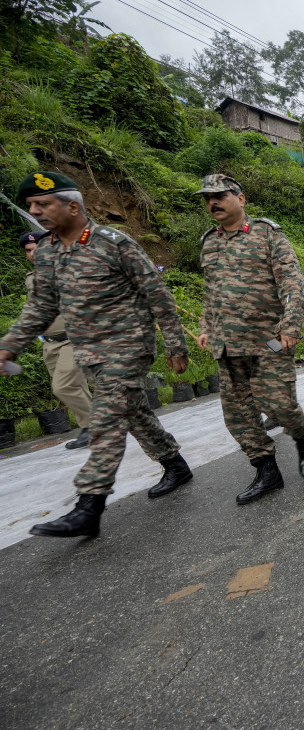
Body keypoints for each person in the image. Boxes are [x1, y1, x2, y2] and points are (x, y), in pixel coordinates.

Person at [0, 172, 193, 538]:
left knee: (106, 420)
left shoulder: (114, 243)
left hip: (128, 345)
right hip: (88, 351)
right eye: (32, 206)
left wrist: (175, 343)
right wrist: (9, 345)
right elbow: (40, 308)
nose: (36, 211)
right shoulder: (48, 253)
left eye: (44, 203)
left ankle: (89, 505)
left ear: (73, 206)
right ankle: (175, 464)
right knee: (134, 414)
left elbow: (157, 294)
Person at [194, 174, 304, 505]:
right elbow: (211, 292)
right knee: (238, 415)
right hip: (226, 343)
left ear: (241, 199)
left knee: (279, 405)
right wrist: (206, 326)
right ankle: (266, 471)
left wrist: (291, 326)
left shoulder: (267, 234)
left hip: (268, 340)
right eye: (207, 198)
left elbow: (292, 284)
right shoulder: (209, 241)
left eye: (219, 195)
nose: (212, 202)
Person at [19, 230, 93, 449]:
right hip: (50, 344)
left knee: (62, 387)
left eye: (36, 249)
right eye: (28, 251)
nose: (32, 254)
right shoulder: (32, 278)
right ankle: (91, 429)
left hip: (73, 339)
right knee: (77, 386)